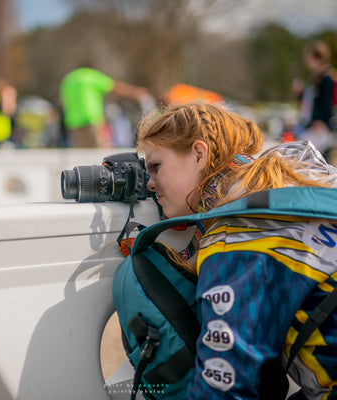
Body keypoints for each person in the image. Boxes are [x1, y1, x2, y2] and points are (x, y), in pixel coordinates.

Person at [137, 100, 337, 399]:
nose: (150, 184)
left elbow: (224, 384)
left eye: (156, 166)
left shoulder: (238, 233)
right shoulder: (302, 178)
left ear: (198, 154)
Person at [59, 65, 150, 147]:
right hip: (92, 120)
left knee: (82, 156)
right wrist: (134, 92)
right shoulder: (90, 76)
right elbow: (114, 87)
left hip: (73, 123)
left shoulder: (69, 80)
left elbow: (63, 102)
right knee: (101, 153)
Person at [292, 41, 335, 135]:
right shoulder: (316, 78)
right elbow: (311, 101)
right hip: (310, 125)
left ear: (316, 57)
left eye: (308, 57)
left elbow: (327, 103)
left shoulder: (326, 78)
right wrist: (300, 94)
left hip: (320, 128)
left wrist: (321, 121)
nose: (306, 61)